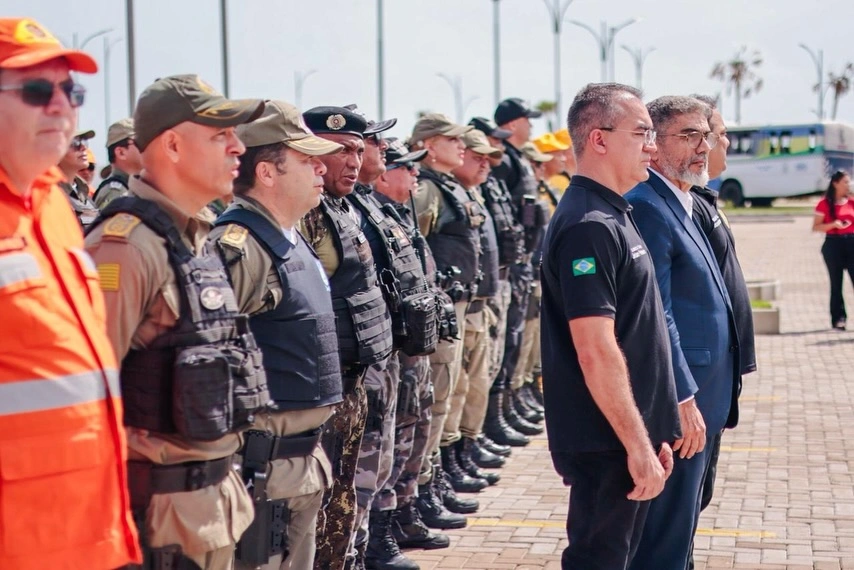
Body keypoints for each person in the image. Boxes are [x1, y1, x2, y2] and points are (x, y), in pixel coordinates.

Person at [85, 74, 270, 570]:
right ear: (170, 144)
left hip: (211, 509)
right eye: (219, 135)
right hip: (157, 523)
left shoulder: (198, 238)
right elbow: (86, 402)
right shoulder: (124, 248)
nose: (238, 147)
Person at [0, 16, 141, 570]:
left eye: (70, 90)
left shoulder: (53, 206)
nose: (62, 106)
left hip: (92, 533)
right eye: (37, 90)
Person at [540, 83, 680, 570]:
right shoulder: (589, 226)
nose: (652, 145)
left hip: (626, 437)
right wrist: (637, 445)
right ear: (598, 139)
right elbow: (594, 351)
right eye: (642, 132)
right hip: (608, 445)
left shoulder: (613, 214)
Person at [208, 100, 345, 570]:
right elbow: (213, 360)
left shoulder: (291, 236)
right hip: (263, 468)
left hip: (301, 461)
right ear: (267, 172)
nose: (320, 168)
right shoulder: (240, 247)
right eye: (307, 160)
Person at [625, 95, 738, 570]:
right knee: (663, 541)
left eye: (705, 135)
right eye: (688, 135)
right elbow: (657, 312)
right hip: (681, 402)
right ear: (654, 142)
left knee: (682, 530)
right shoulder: (649, 206)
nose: (703, 146)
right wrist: (683, 397)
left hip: (705, 393)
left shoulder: (684, 199)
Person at [299, 106, 394, 570]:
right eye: (341, 151)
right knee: (316, 505)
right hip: (320, 385)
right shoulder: (305, 214)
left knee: (344, 495)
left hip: (353, 379)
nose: (353, 161)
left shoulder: (345, 208)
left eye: (359, 150)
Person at [343, 105, 434, 570]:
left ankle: (376, 540)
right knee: (364, 458)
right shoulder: (342, 212)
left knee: (386, 449)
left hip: (389, 348)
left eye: (371, 144)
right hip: (360, 359)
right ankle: (364, 548)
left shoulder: (368, 208)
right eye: (367, 143)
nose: (371, 151)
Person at [371, 137, 459, 548]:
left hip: (415, 344)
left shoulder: (394, 214)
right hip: (392, 351)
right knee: (393, 436)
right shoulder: (371, 214)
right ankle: (383, 530)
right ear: (385, 174)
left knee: (416, 426)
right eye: (407, 168)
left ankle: (407, 510)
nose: (415, 175)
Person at [685, 94, 757, 570]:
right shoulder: (682, 206)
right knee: (679, 507)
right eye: (720, 132)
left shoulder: (704, 200)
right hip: (695, 384)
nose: (726, 142)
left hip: (715, 380)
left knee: (696, 498)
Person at [409, 113, 491, 500]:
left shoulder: (445, 185)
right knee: (439, 397)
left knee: (453, 391)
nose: (462, 146)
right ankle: (424, 489)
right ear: (428, 146)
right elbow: (415, 246)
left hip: (458, 303)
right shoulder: (426, 189)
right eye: (451, 140)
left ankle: (437, 476)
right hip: (441, 307)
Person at [446, 128, 506, 486]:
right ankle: (450, 461)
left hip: (478, 302)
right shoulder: (434, 193)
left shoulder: (469, 192)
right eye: (477, 155)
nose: (486, 162)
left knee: (476, 382)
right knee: (454, 391)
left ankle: (466, 448)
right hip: (457, 308)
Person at [467, 116, 529, 452]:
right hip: (476, 295)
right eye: (493, 141)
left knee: (503, 353)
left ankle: (491, 421)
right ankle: (473, 437)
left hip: (503, 279)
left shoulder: (492, 180)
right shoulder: (455, 188)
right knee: (472, 376)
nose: (498, 148)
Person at [813, 170, 854, 330]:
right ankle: (838, 318)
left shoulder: (851, 202)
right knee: (836, 283)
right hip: (833, 244)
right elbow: (816, 227)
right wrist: (833, 225)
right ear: (835, 183)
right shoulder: (824, 204)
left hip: (851, 243)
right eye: (845, 182)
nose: (848, 185)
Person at [94, 117, 142, 208]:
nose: (146, 146)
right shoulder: (116, 193)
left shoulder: (133, 187)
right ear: (121, 152)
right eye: (140, 142)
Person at [57, 128, 99, 227]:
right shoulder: (50, 194)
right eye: (75, 143)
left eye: (84, 142)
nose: (83, 147)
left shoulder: (83, 192)